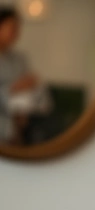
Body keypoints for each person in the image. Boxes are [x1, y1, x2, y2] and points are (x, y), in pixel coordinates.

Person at [0, 7, 50, 145]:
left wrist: (31, 85)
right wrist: (13, 88)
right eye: (12, 28)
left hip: (17, 130)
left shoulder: (20, 59)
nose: (16, 33)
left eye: (18, 29)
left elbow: (32, 93)